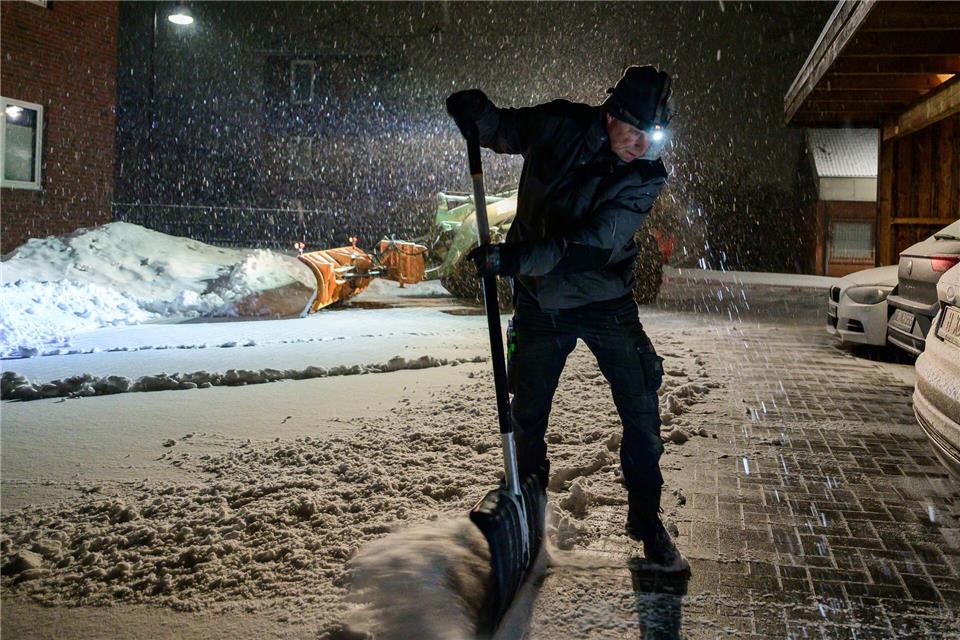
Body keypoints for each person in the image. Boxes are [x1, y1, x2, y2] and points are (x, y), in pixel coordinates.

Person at [446, 65, 683, 568]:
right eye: (634, 131)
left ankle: (646, 520)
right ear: (611, 113)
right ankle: (528, 509)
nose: (641, 146)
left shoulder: (644, 176)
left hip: (605, 303)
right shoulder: (558, 124)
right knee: (526, 413)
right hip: (540, 303)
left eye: (652, 137)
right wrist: (475, 112)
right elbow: (503, 130)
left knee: (641, 410)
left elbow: (587, 247)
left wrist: (509, 260)